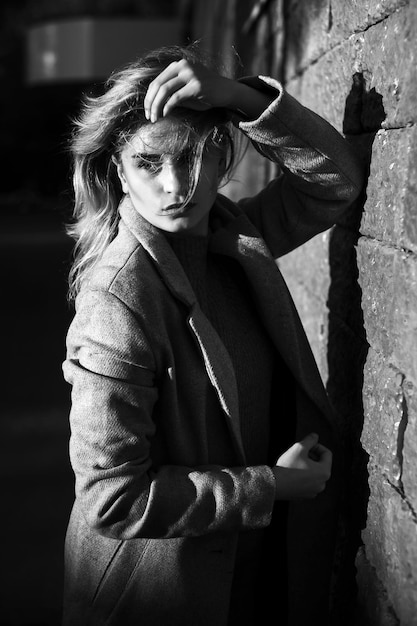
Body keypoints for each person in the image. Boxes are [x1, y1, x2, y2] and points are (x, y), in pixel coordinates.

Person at [62, 44, 363, 626]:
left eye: (195, 155)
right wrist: (271, 486)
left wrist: (236, 96)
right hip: (156, 594)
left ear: (222, 150)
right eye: (150, 162)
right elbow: (111, 499)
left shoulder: (227, 235)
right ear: (117, 170)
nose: (178, 185)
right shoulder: (117, 300)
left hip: (237, 577)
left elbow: (334, 182)